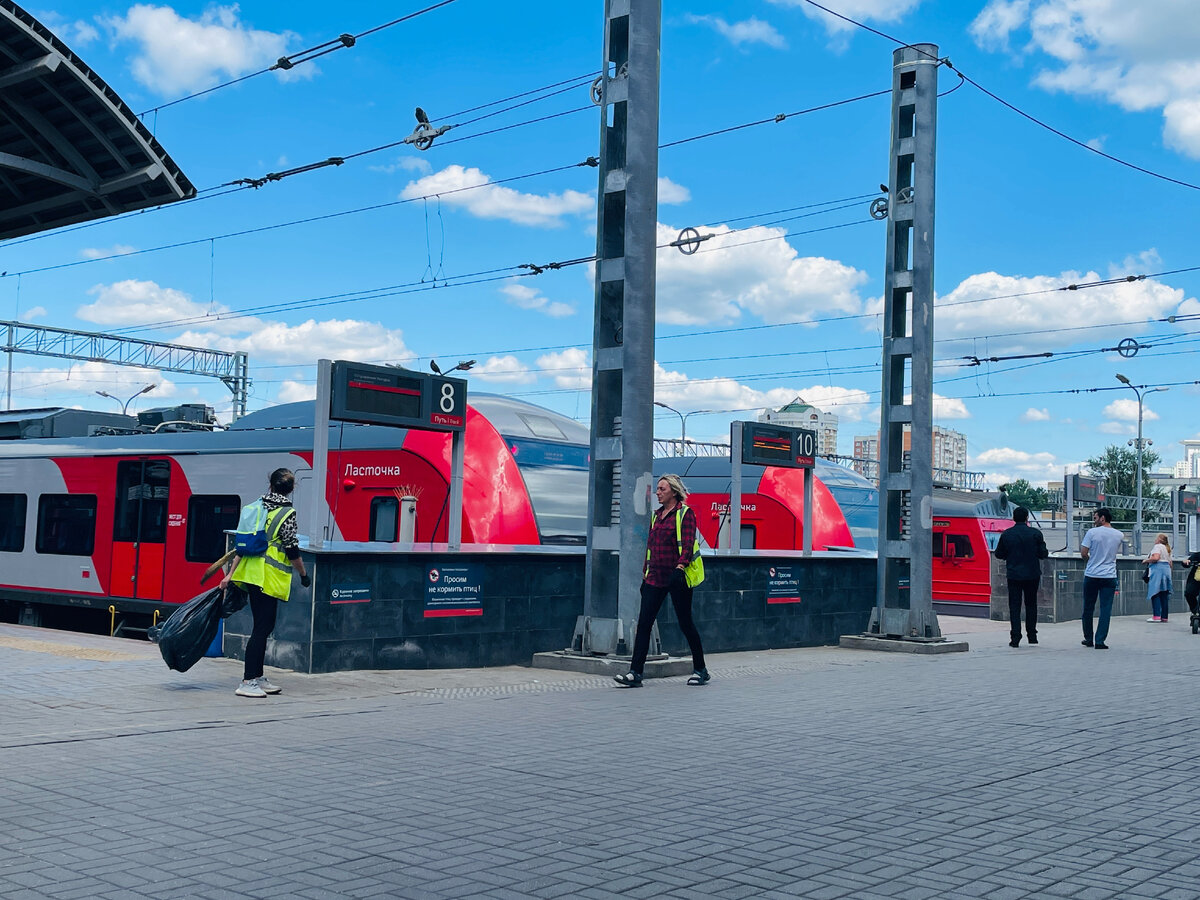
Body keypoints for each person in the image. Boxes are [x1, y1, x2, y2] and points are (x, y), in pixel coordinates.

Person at [220, 468, 310, 698]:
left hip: (249, 575)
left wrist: (230, 574)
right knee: (262, 628)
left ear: (270, 485)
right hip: (266, 578)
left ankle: (257, 677)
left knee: (263, 625)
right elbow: (292, 549)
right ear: (291, 489)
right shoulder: (286, 513)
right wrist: (303, 574)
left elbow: (243, 544)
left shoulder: (256, 507)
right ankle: (248, 681)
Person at [614, 474, 709, 688]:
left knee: (686, 623)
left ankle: (700, 669)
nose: (657, 492)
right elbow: (650, 547)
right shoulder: (656, 516)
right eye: (658, 489)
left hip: (676, 577)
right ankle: (635, 673)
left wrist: (680, 568)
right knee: (644, 624)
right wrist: (645, 574)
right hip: (654, 578)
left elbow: (687, 545)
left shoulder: (685, 514)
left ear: (673, 492)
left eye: (662, 489)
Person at [994, 506, 1048, 647]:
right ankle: (1032, 636)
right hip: (1032, 574)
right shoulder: (1036, 534)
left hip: (1014, 574)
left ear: (1013, 518)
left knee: (1014, 606)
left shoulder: (1007, 534)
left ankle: (1015, 638)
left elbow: (999, 554)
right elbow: (1043, 554)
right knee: (1031, 604)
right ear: (1026, 518)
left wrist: (1010, 556)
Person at [1080, 507, 1122, 650]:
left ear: (1102, 518)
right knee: (1105, 609)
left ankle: (1088, 638)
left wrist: (1090, 560)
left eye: (1095, 518)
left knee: (1088, 607)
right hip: (1109, 576)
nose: (1094, 521)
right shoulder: (1119, 535)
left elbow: (1084, 553)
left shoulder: (1092, 532)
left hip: (1092, 574)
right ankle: (1100, 640)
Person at [1143, 533, 1172, 623]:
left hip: (1157, 570)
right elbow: (1170, 563)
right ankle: (1164, 617)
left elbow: (1156, 557)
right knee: (1164, 594)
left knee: (1155, 592)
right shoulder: (1167, 549)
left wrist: (1146, 560)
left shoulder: (1158, 546)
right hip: (1167, 571)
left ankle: (1156, 616)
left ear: (1159, 539)